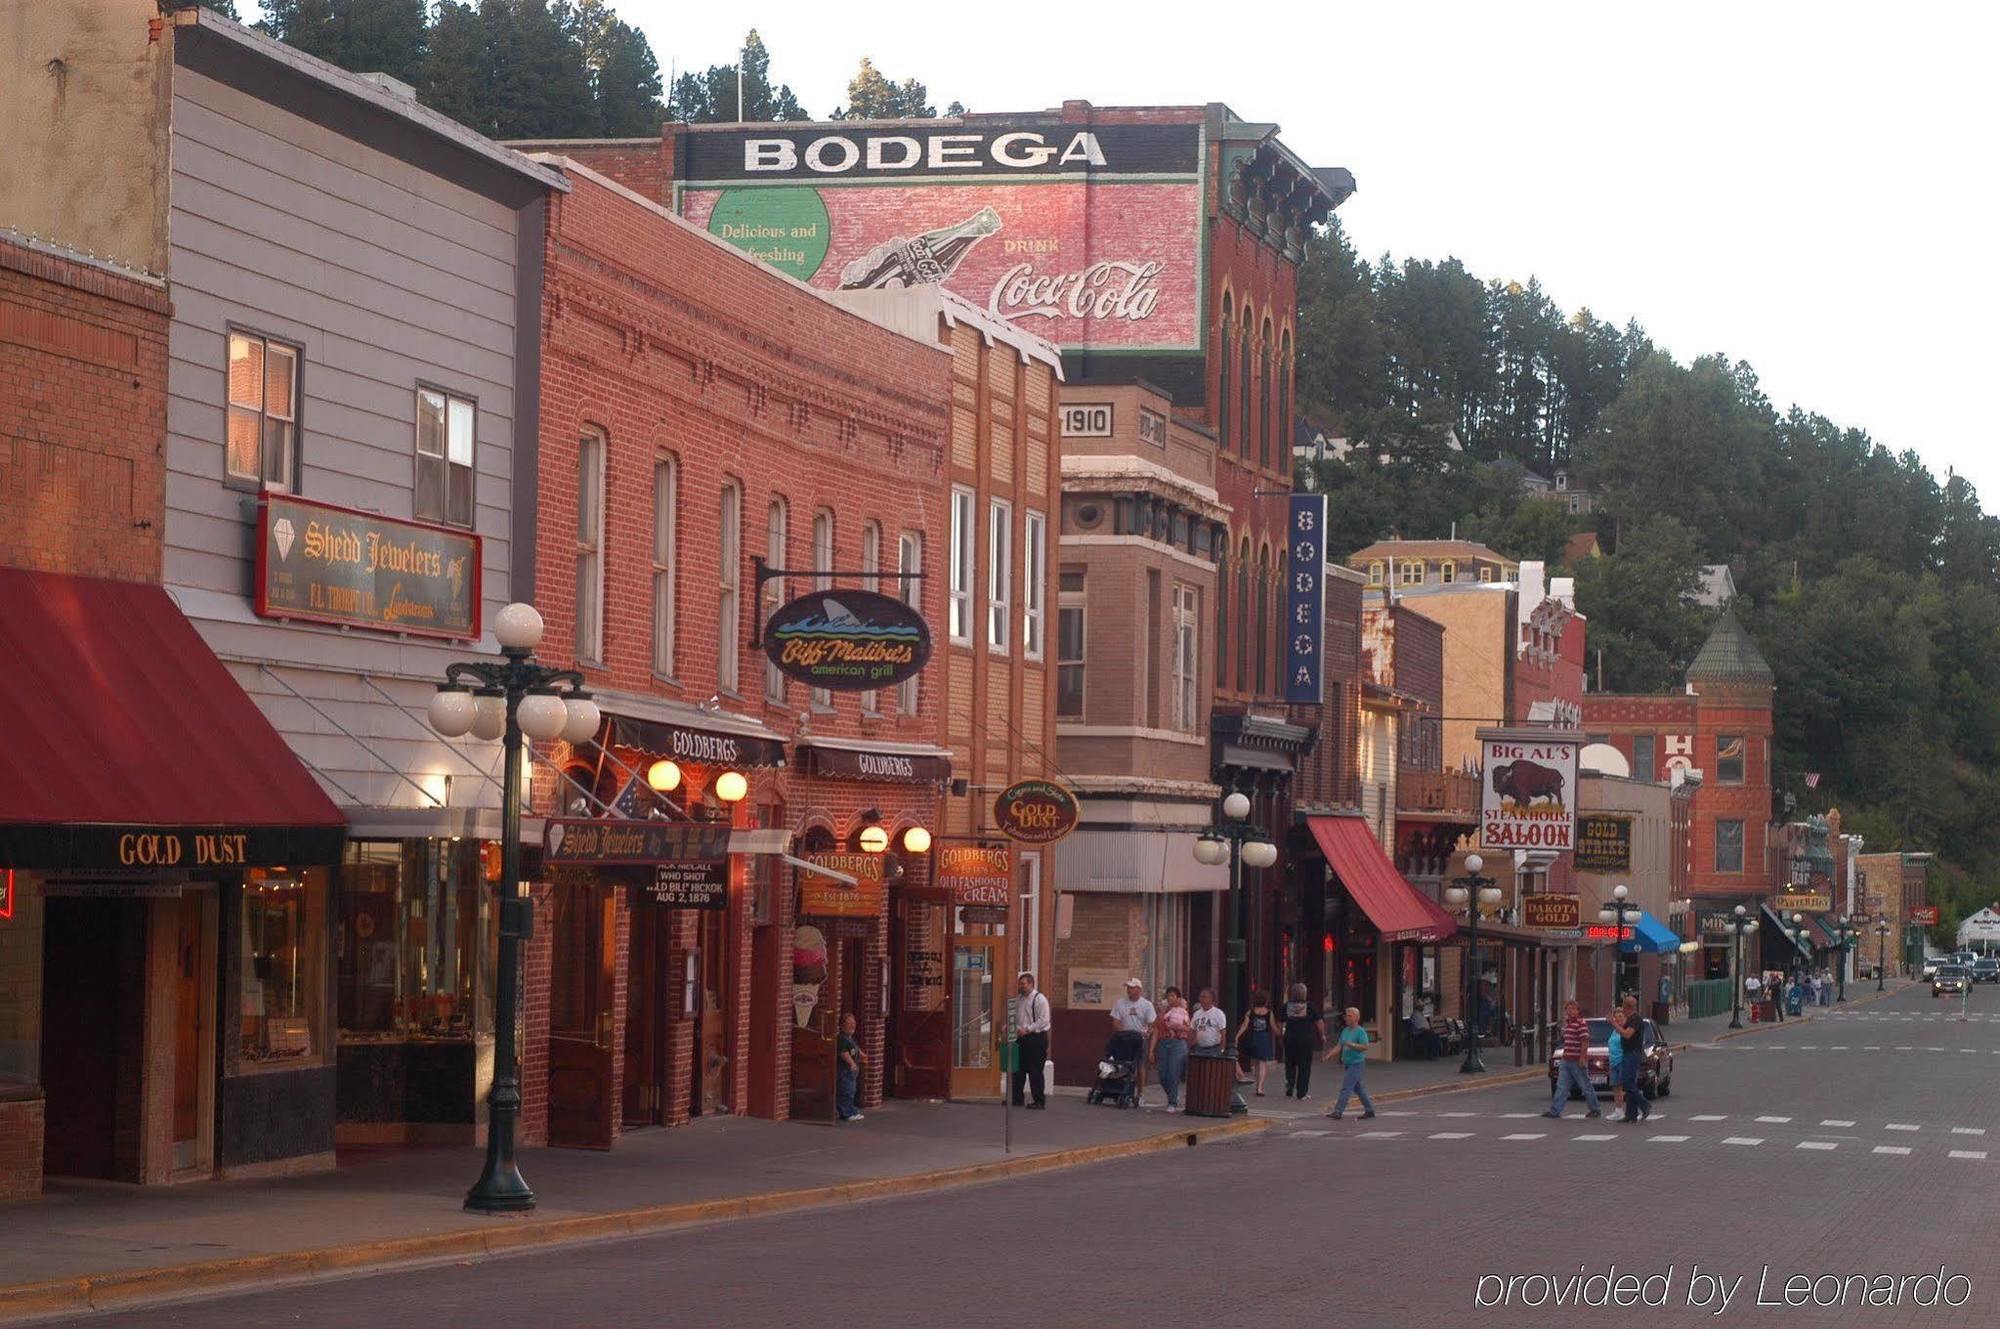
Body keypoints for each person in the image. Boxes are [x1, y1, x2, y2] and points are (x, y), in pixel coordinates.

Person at [1545, 999, 1602, 1119]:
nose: (1570, 1012)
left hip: (1577, 1060)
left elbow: (1585, 1041)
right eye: (1568, 1009)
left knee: (1585, 1085)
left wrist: (1582, 1058)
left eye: (1572, 1009)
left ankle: (1595, 1109)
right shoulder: (1568, 1024)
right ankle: (1555, 1111)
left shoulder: (1581, 1024)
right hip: (1566, 1060)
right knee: (1561, 1086)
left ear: (1577, 1011)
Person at [1322, 1007, 1376, 1120]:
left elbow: (1365, 1046)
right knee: (1358, 1089)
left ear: (1356, 1018)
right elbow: (1339, 1045)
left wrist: (1353, 1045)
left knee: (1346, 1087)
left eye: (1349, 1016)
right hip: (1348, 1063)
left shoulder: (1360, 1032)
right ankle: (1370, 1110)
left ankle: (1338, 1111)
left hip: (1357, 1063)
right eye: (1346, 1015)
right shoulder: (1345, 1030)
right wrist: (1329, 1055)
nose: (1346, 1018)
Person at [1011, 971, 1051, 1111]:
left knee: (1035, 1071)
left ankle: (1039, 1101)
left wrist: (1027, 1029)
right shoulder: (1019, 999)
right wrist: (1013, 1028)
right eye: (1020, 984)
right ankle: (1017, 1099)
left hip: (1036, 1039)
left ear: (1031, 984)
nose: (1021, 987)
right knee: (1017, 1070)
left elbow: (1044, 1020)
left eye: (1023, 984)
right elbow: (1017, 1018)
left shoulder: (1040, 999)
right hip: (1021, 1038)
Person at [1280, 982, 1326, 1100]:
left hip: (1290, 1038)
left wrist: (1281, 1033)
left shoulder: (1286, 1006)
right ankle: (1302, 1092)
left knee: (1290, 1063)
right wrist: (1322, 1035)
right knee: (1304, 1066)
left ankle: (1290, 1084)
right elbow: (1319, 1022)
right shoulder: (1310, 1006)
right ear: (1304, 994)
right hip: (1305, 1039)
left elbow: (1279, 1022)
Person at [1149, 986, 1192, 1112]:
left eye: (1173, 995)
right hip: (1163, 1043)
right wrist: (1151, 1050)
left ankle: (1172, 1102)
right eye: (1168, 996)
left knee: (1173, 1073)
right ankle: (1172, 1095)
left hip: (1178, 1043)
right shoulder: (1162, 1013)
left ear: (1178, 998)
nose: (1170, 998)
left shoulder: (1182, 1012)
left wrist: (1178, 1027)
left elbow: (1189, 1029)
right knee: (1162, 1073)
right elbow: (1156, 1031)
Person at [1612, 997, 1650, 1122]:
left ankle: (1644, 1104)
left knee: (1627, 1082)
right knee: (1630, 1084)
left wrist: (1614, 1024)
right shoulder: (1630, 1019)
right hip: (1628, 1053)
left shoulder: (1636, 1019)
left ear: (1627, 1007)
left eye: (1623, 1007)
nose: (1622, 1009)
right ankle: (1631, 1114)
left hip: (1633, 1053)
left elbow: (1627, 1034)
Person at [1235, 989, 1278, 1096]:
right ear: (1266, 1000)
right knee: (1262, 1063)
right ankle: (1260, 1088)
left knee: (1255, 1063)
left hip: (1253, 1038)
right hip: (1264, 1038)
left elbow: (1244, 1026)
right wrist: (1281, 1035)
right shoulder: (1269, 1013)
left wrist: (1237, 1036)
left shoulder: (1251, 1012)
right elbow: (1273, 1027)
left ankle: (1257, 1083)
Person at [836, 1011, 866, 1122]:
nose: (852, 1025)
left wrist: (862, 1055)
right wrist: (851, 1063)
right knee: (845, 1090)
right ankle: (847, 1113)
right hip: (844, 1070)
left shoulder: (850, 1038)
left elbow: (855, 1048)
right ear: (842, 1025)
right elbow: (843, 1052)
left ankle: (852, 1110)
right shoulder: (842, 1039)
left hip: (851, 1072)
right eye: (849, 1023)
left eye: (853, 1023)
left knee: (851, 1090)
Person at [1190, 988, 1228, 1055]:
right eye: (1200, 997)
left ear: (1211, 999)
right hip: (1199, 1049)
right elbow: (1192, 1030)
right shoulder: (1196, 1014)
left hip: (1214, 1049)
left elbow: (1223, 1032)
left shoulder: (1218, 1013)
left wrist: (1222, 1049)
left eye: (1204, 997)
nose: (1201, 999)